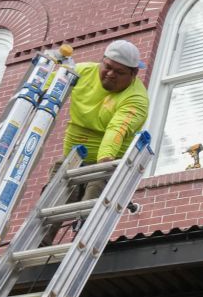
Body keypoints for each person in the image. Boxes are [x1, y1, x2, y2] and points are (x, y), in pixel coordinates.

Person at [62, 39, 151, 198]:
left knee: (92, 203)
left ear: (134, 74)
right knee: (53, 207)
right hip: (72, 158)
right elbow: (48, 85)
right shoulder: (82, 72)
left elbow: (117, 129)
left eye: (119, 72)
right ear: (101, 61)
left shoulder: (136, 98)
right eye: (107, 67)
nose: (110, 74)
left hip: (108, 160)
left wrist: (105, 161)